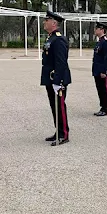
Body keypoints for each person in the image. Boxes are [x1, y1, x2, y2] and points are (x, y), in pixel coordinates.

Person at [40, 10, 72, 146]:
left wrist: (58, 81)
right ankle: (58, 130)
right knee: (54, 106)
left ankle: (64, 134)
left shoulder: (58, 39)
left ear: (54, 23)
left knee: (59, 106)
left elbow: (61, 62)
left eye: (46, 20)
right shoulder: (50, 37)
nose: (44, 22)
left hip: (57, 79)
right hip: (50, 77)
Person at [92, 22, 107, 116]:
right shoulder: (100, 41)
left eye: (97, 28)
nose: (95, 30)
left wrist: (105, 71)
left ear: (102, 30)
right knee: (100, 89)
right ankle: (102, 107)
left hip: (103, 71)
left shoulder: (106, 42)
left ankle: (106, 109)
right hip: (97, 70)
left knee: (104, 89)